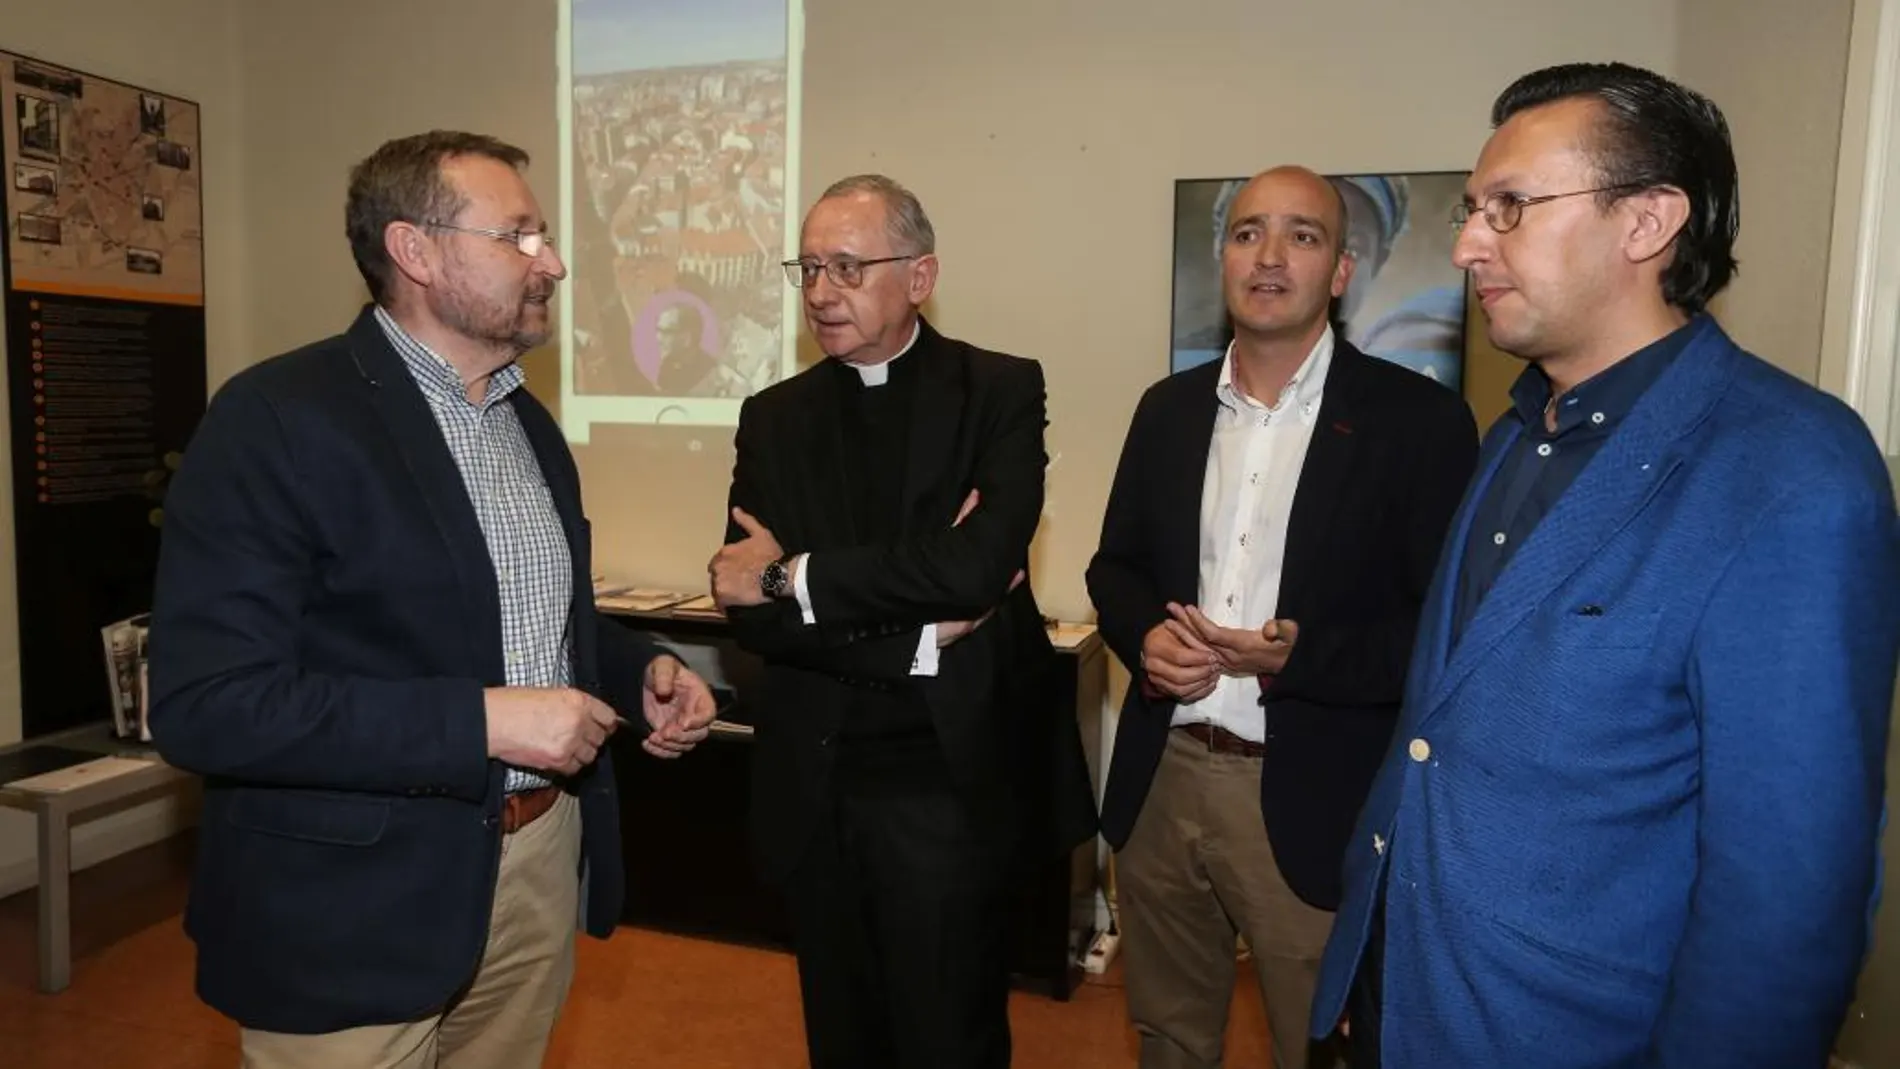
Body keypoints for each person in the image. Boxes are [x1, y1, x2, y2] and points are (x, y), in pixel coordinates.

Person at [1310, 62, 1900, 1069]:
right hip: (1401, 991)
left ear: (1647, 222)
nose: (1464, 246)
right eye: (1468, 210)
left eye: (1509, 208)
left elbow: (1788, 890)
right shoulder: (1515, 431)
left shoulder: (1790, 470)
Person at [147, 130, 719, 1069]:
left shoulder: (525, 419)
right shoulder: (277, 419)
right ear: (415, 251)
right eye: (520, 237)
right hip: (350, 899)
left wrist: (636, 666)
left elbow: (520, 616)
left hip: (535, 863)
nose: (555, 261)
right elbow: (208, 705)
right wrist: (482, 722)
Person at [1087, 165, 1476, 1069]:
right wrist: (1144, 636)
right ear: (1222, 257)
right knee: (1169, 1036)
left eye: (1301, 235)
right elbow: (1115, 568)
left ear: (1342, 271)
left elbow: (1444, 632)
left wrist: (1298, 658)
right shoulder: (1168, 409)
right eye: (1247, 232)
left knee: (1321, 1044)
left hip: (1309, 794)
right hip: (1163, 778)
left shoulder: (1419, 422)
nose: (1268, 256)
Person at [706, 173, 1096, 1069]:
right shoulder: (774, 416)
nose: (819, 292)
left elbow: (972, 567)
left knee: (948, 1035)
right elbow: (744, 606)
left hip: (947, 782)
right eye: (807, 268)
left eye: (847, 266)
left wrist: (794, 573)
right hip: (817, 774)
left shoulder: (997, 389)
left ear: (920, 276)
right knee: (842, 1035)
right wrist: (915, 632)